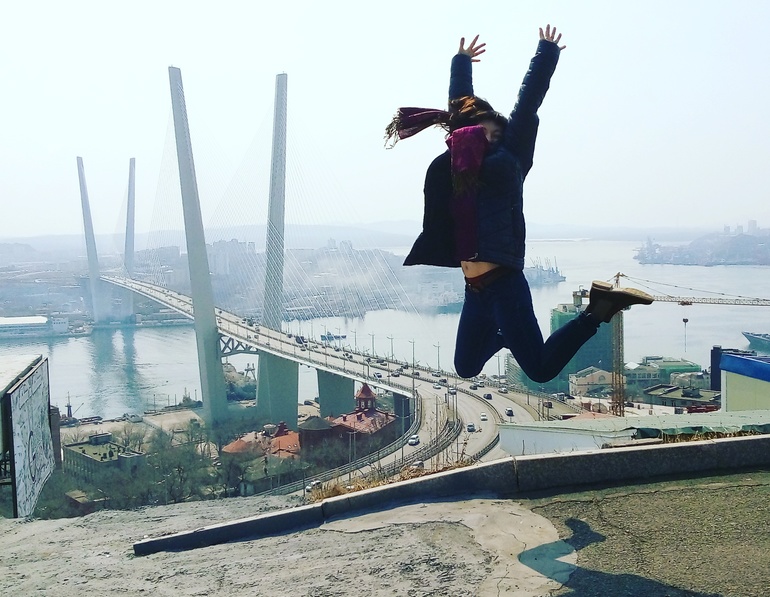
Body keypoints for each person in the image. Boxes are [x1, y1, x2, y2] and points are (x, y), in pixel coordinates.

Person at [385, 26, 653, 382]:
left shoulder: (510, 158)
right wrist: (461, 62)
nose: (489, 135)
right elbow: (460, 108)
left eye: (496, 131)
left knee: (541, 370)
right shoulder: (458, 165)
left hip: (505, 286)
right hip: (474, 290)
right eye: (483, 128)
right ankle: (505, 335)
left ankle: (598, 310)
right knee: (466, 367)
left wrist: (546, 53)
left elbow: (527, 104)